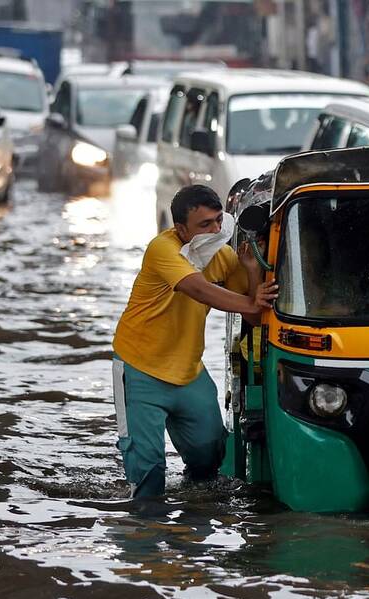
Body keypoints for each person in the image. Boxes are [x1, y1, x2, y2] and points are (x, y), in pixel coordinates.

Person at [111, 184, 278, 498]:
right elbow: (198, 288)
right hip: (140, 369)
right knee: (148, 475)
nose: (215, 229)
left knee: (209, 457)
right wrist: (253, 303)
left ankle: (192, 526)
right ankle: (144, 535)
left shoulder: (224, 257)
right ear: (181, 229)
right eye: (204, 225)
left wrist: (253, 272)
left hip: (189, 371)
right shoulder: (163, 249)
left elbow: (255, 317)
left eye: (217, 221)